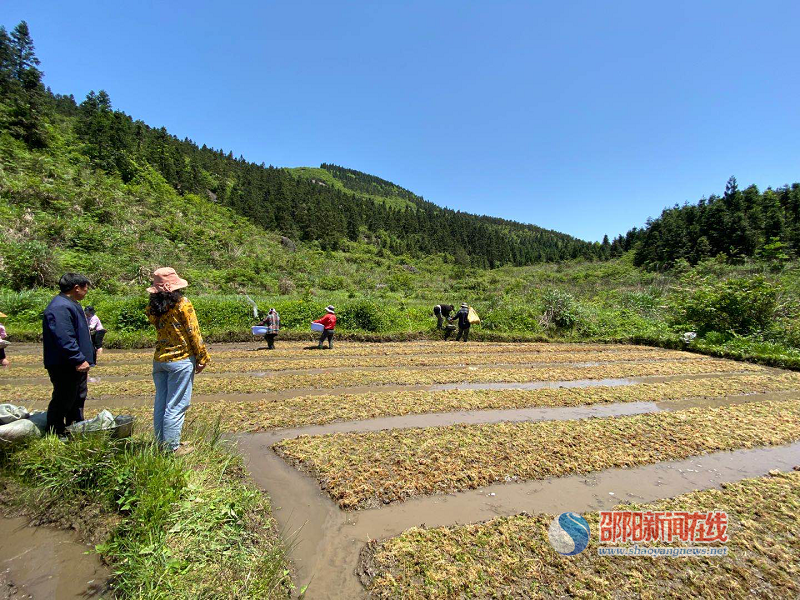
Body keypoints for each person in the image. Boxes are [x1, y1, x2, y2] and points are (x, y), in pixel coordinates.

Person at [145, 267, 209, 453]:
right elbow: (193, 332)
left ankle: (162, 444)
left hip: (160, 360)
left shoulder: (152, 308)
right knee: (176, 405)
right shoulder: (183, 304)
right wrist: (202, 357)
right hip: (180, 360)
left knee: (161, 403)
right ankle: (172, 448)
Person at [43, 273, 94, 435]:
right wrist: (78, 359)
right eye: (85, 288)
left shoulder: (70, 303)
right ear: (76, 288)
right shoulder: (60, 307)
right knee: (64, 398)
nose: (86, 292)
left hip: (73, 363)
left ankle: (74, 428)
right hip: (65, 363)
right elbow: (64, 336)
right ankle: (55, 431)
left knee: (77, 397)